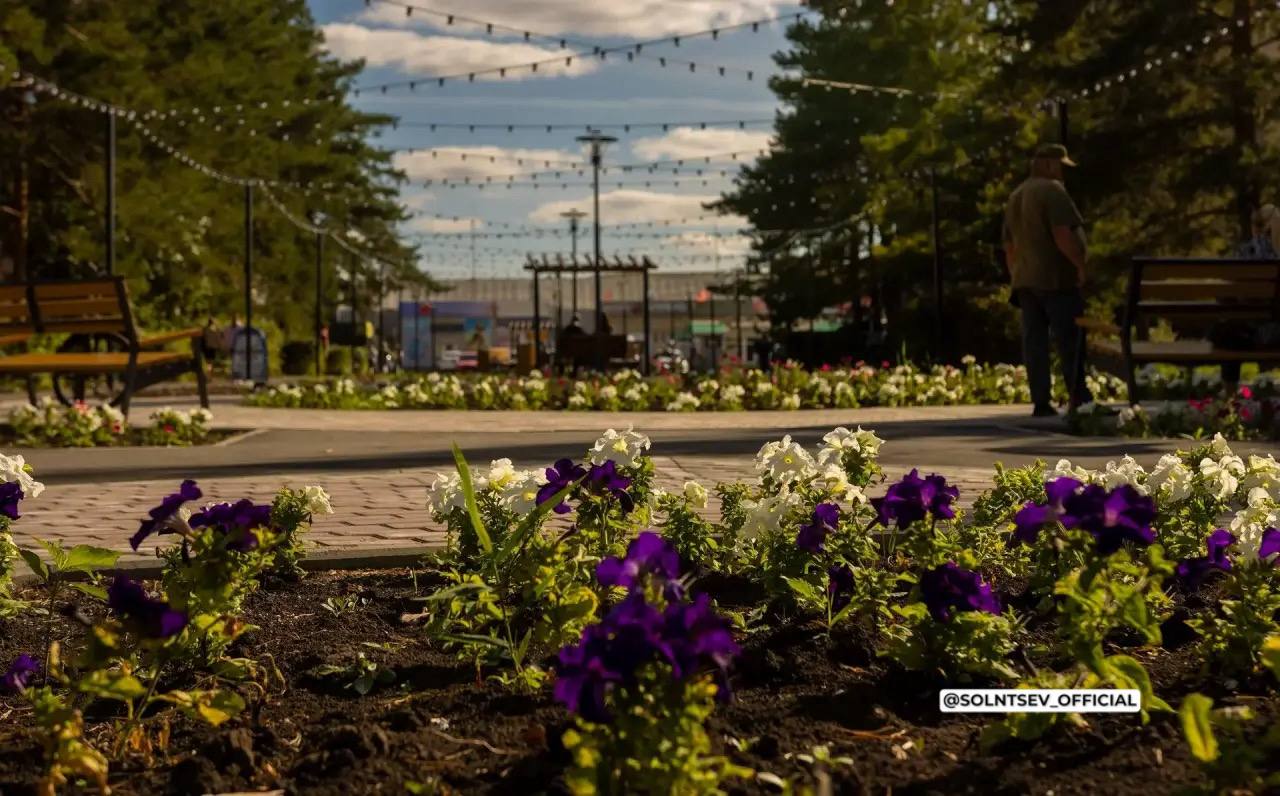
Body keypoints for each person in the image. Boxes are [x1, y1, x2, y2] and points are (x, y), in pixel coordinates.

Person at [1003, 143, 1093, 418]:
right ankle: (1080, 398)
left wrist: (1016, 273)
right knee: (1070, 340)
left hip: (1025, 279)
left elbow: (1009, 245)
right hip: (1055, 278)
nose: (1063, 172)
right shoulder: (1052, 191)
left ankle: (1041, 401)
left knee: (1035, 342)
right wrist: (1080, 265)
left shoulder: (1016, 195)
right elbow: (1062, 233)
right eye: (1061, 166)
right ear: (1048, 164)